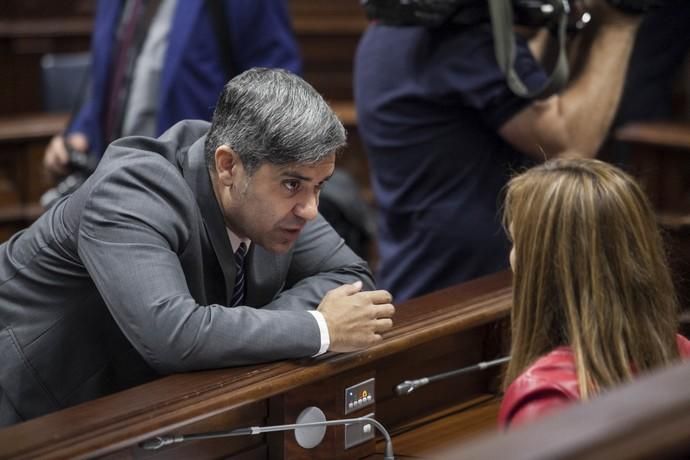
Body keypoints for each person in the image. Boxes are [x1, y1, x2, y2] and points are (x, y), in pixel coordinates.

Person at [0, 68, 395, 427]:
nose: (311, 209)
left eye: (319, 186)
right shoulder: (131, 191)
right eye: (293, 185)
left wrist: (224, 331)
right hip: (30, 409)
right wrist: (319, 328)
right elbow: (173, 336)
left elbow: (351, 277)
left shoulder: (276, 191)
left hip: (134, 409)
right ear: (228, 167)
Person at [354, 0, 643, 302]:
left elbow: (525, 85)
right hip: (468, 296)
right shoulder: (463, 42)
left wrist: (552, 20)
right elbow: (570, 146)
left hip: (415, 276)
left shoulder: (390, 29)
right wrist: (619, 22)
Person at [497, 158, 690, 428]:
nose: (512, 258)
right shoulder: (680, 353)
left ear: (543, 267)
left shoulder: (543, 398)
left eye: (517, 243)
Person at [43, 0, 302, 179]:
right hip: (112, 180)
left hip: (197, 194)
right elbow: (113, 78)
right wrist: (80, 132)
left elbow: (276, 91)